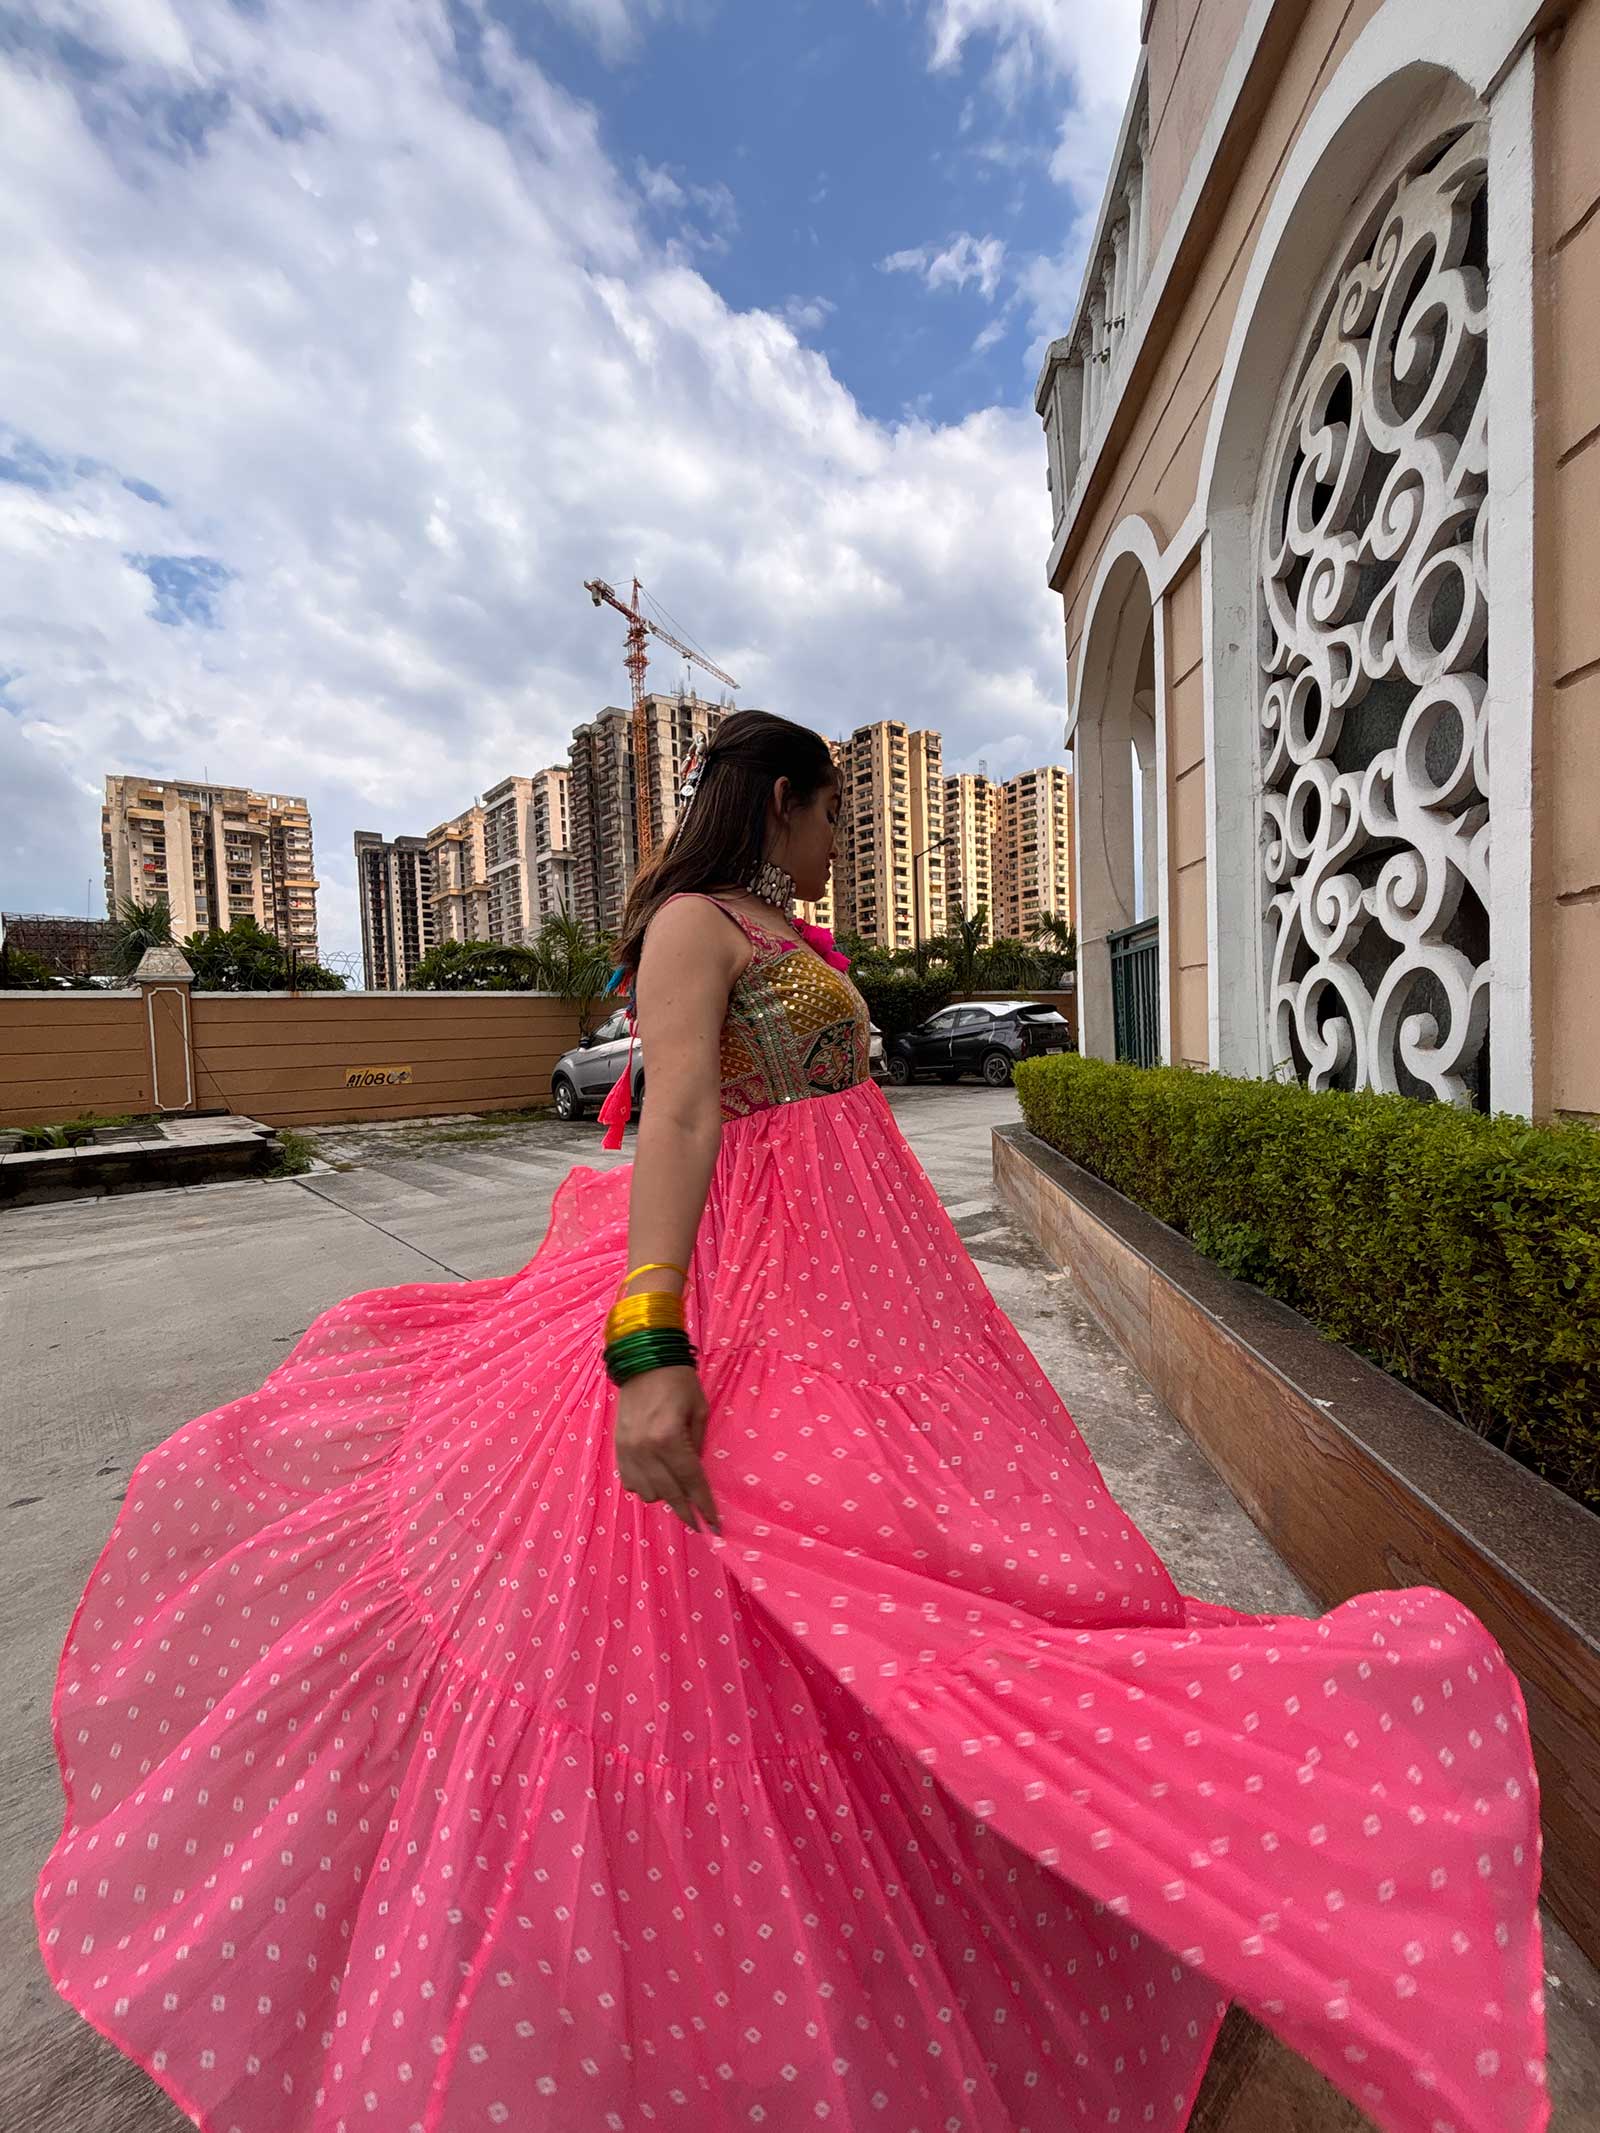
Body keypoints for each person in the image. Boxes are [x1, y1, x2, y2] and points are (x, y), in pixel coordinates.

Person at [37, 709, 1547, 2133]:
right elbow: (681, 1112)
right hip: (760, 1283)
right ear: (787, 801)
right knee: (749, 1593)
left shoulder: (789, 930)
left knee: (926, 1573)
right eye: (834, 816)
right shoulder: (695, 925)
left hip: (871, 1287)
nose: (840, 846)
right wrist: (652, 1335)